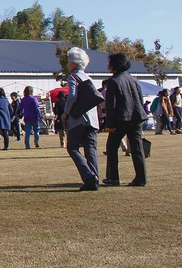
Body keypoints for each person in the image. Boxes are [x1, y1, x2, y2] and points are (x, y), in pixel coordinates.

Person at [103, 53, 149, 187]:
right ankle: (141, 178)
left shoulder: (113, 80)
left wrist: (109, 124)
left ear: (115, 64)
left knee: (111, 147)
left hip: (122, 118)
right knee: (136, 148)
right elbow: (139, 99)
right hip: (137, 117)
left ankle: (113, 178)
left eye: (109, 62)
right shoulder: (133, 79)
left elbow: (111, 105)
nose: (107, 65)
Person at [62, 47, 100, 191]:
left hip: (79, 119)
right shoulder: (88, 78)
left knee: (72, 147)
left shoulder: (73, 77)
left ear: (74, 64)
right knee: (91, 148)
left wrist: (66, 113)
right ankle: (94, 177)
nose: (67, 65)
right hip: (92, 118)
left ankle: (88, 176)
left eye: (69, 62)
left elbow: (72, 97)